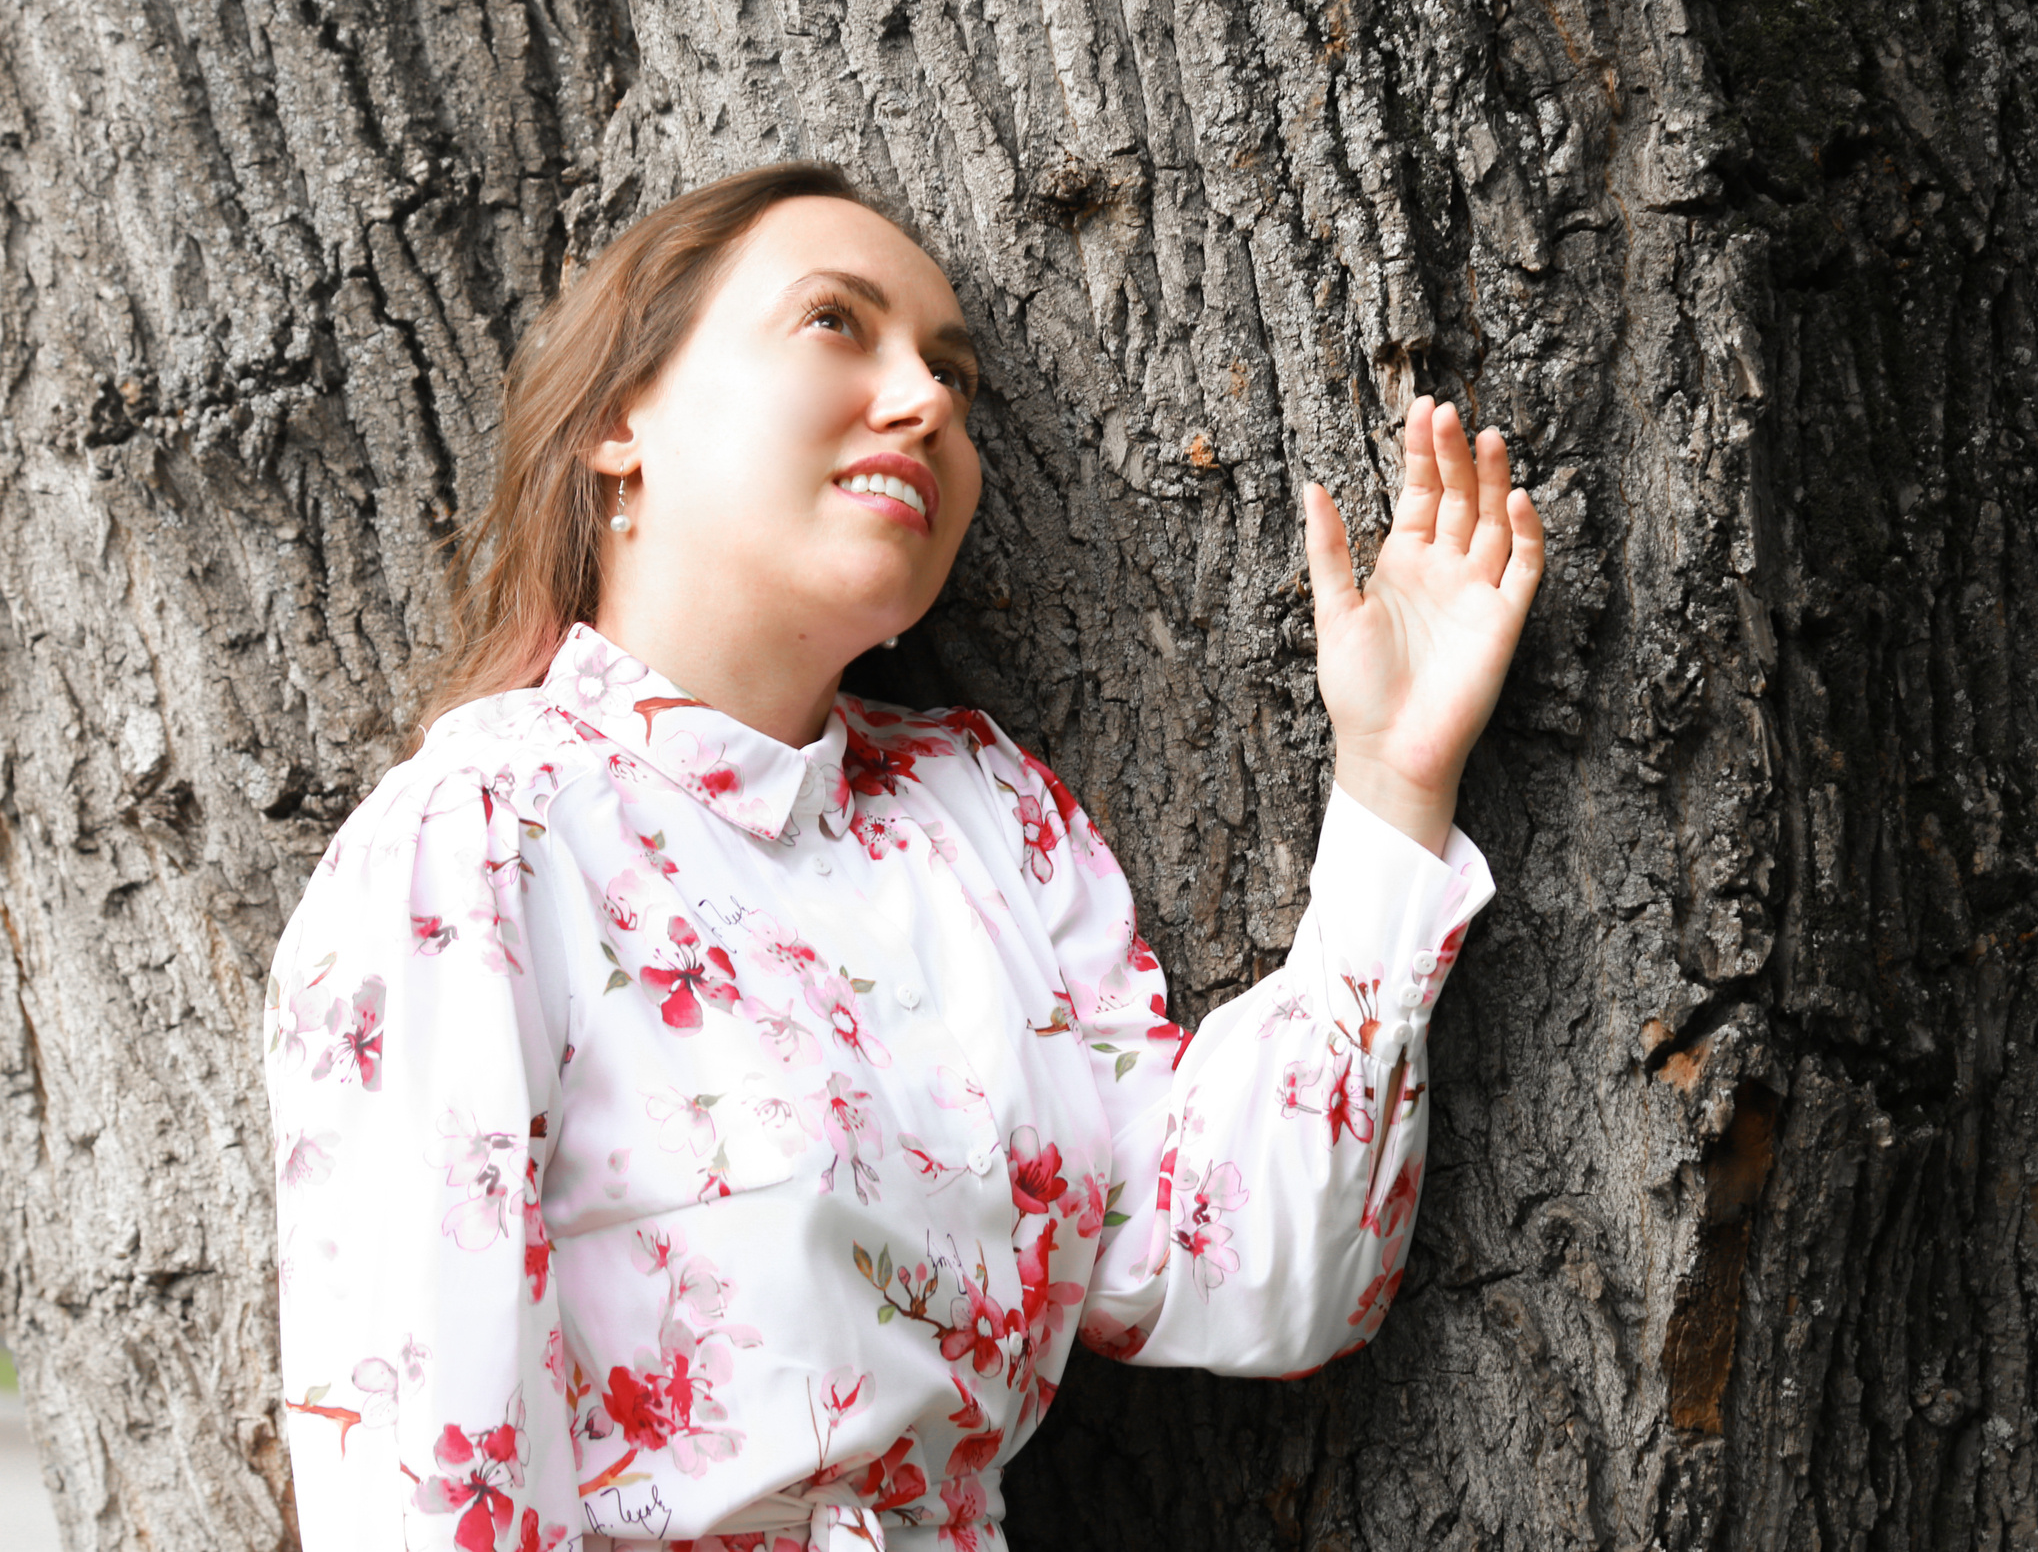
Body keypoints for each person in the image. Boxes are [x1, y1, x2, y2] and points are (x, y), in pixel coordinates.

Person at [262, 162, 1545, 1551]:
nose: (927, 398)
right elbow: (418, 1493)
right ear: (621, 423)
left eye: (952, 374)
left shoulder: (981, 819)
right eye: (836, 322)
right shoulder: (482, 843)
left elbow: (1253, 1274)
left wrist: (1392, 786)